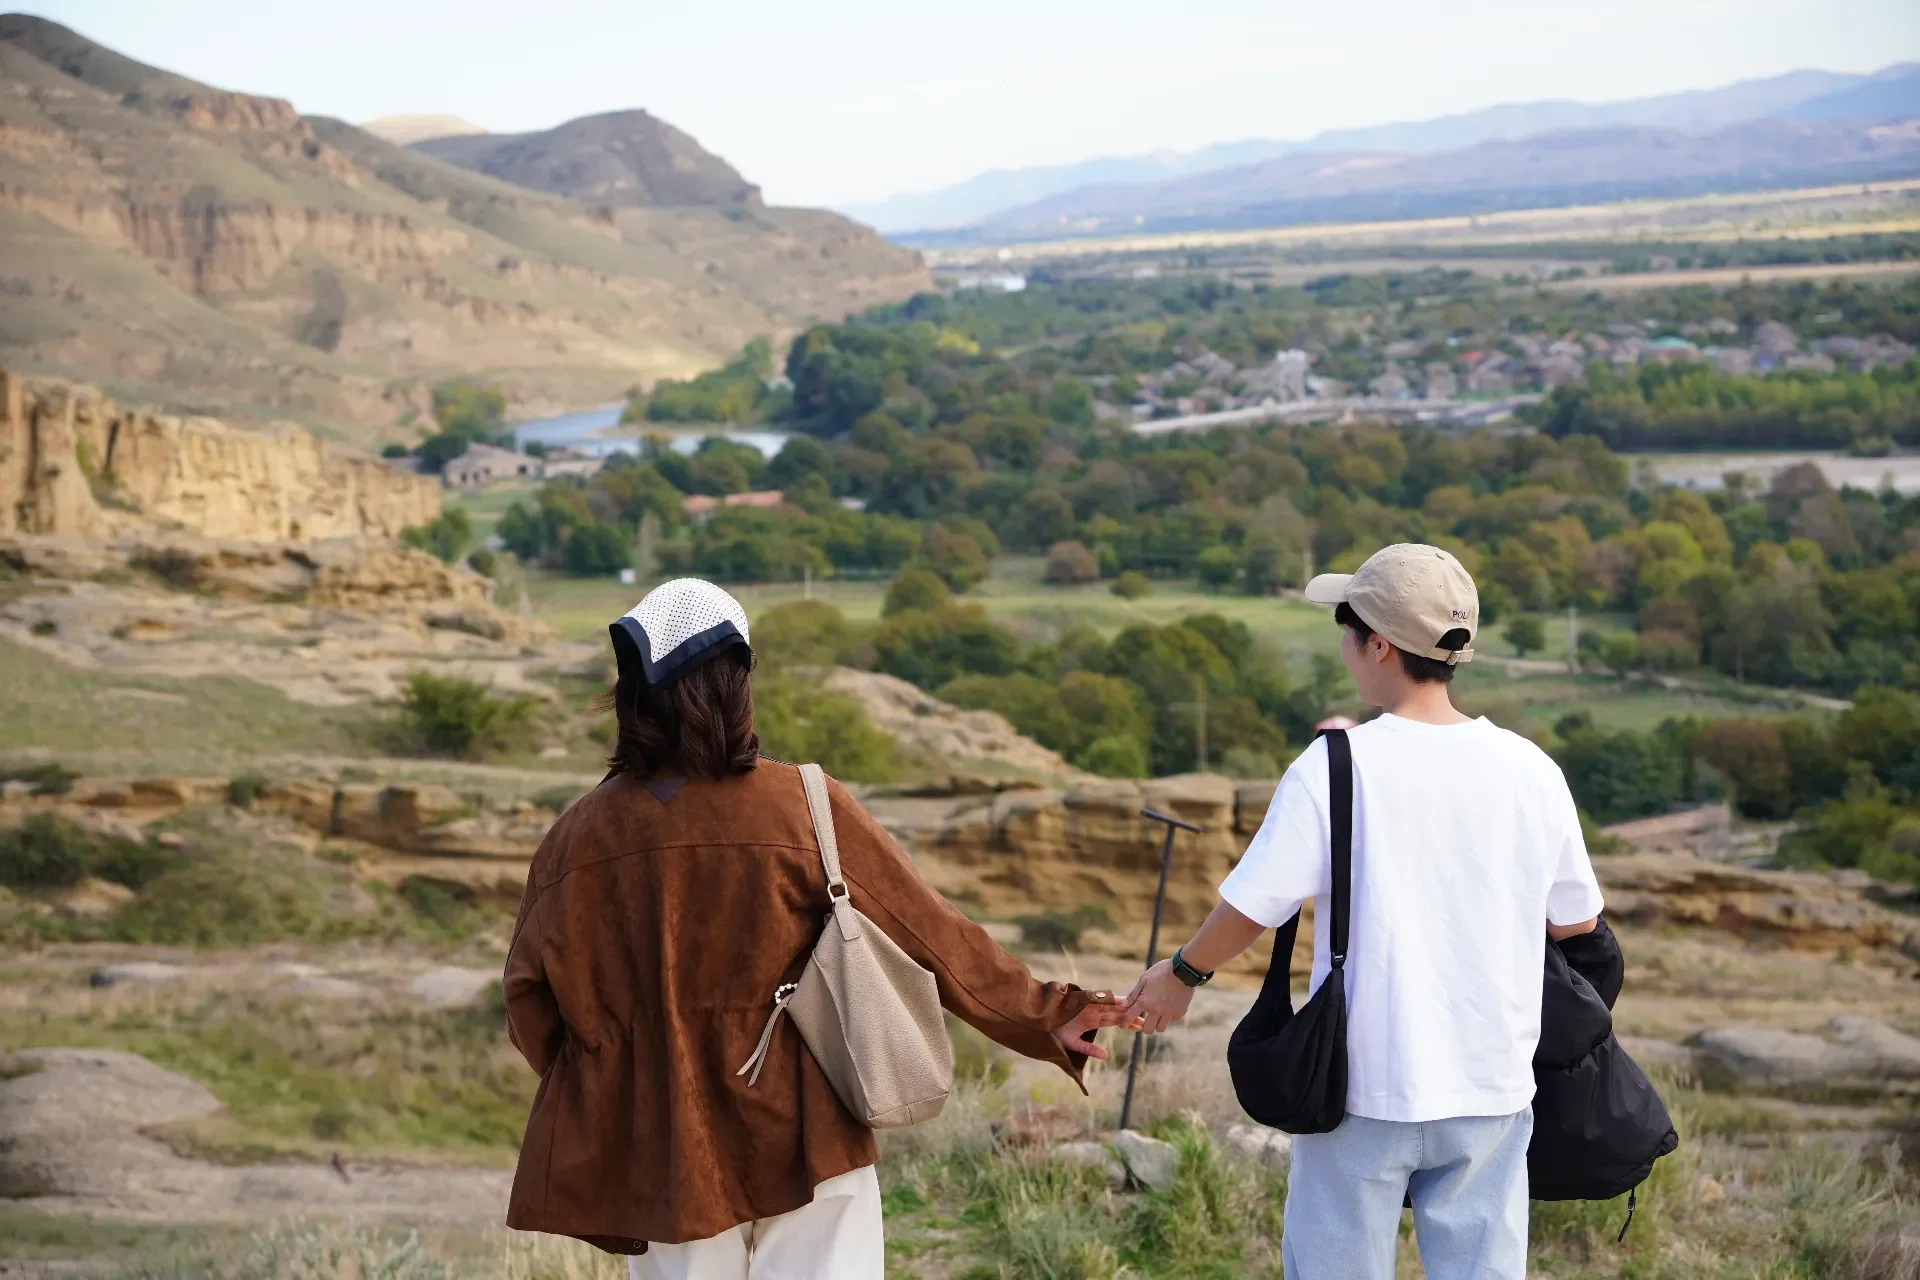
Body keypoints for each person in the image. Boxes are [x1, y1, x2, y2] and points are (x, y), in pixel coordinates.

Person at [502, 578, 1131, 1280]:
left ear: (634, 693)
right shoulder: (801, 804)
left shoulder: (573, 841)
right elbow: (929, 932)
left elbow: (531, 1006)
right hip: (807, 1136)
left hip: (664, 1156)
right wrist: (1048, 1016)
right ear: (733, 683)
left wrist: (626, 1083)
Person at [1123, 544, 1603, 1280]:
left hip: (1362, 1087)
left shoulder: (1334, 766)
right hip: (1492, 1084)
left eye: (1346, 630)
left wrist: (1182, 974)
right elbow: (1574, 923)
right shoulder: (1531, 769)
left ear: (1378, 645)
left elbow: (1252, 905)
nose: (1343, 649)